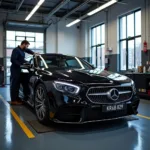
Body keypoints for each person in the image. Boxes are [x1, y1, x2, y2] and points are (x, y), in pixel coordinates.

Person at [10, 40, 35, 105]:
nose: (27, 47)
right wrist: (20, 65)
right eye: (26, 46)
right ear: (23, 44)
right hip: (15, 69)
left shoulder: (22, 50)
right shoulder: (16, 50)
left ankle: (17, 98)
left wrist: (34, 53)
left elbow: (27, 51)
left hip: (19, 69)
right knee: (15, 85)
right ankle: (13, 100)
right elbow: (13, 59)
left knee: (18, 85)